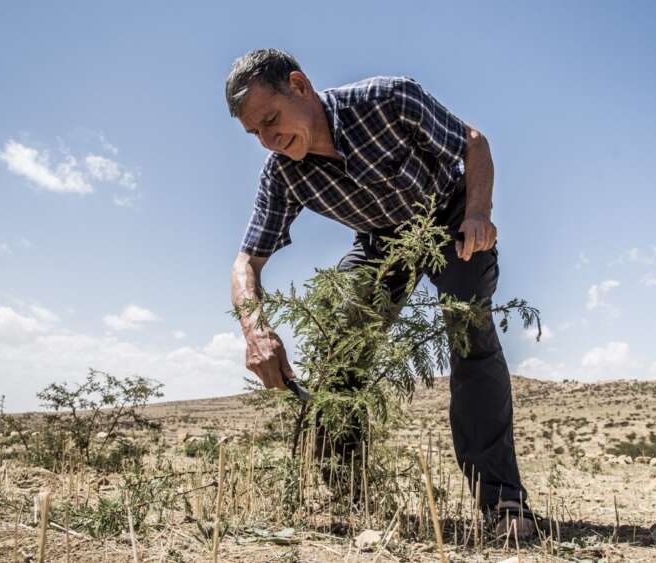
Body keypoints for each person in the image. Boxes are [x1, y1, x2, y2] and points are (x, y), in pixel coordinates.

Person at [227, 48, 536, 539]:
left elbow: (474, 144)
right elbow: (247, 260)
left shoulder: (387, 99)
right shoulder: (282, 173)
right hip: (379, 243)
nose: (269, 141)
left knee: (469, 335)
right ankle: (350, 495)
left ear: (300, 87)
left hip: (449, 223)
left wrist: (478, 211)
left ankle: (505, 506)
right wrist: (254, 330)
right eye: (255, 134)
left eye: (271, 120)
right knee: (342, 352)